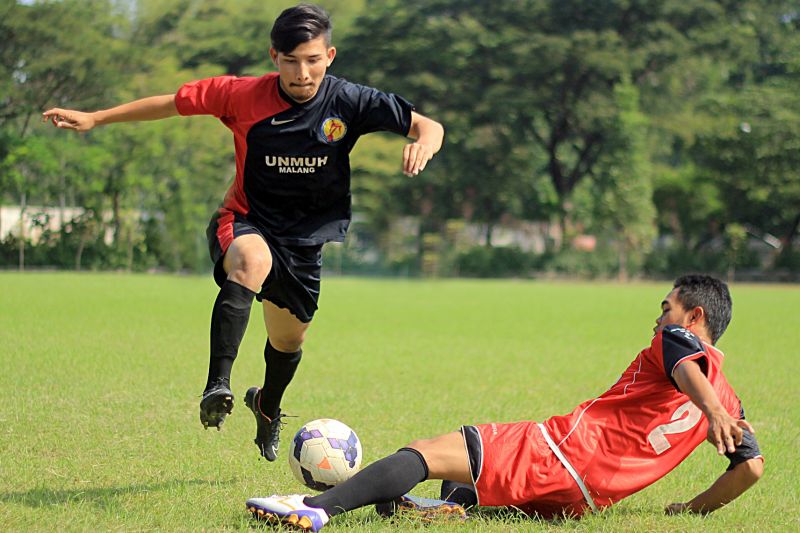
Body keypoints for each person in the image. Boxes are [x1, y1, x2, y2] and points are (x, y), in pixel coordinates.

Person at [42, 3, 444, 461]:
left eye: (312, 60)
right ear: (274, 56)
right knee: (250, 262)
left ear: (329, 55)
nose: (302, 72)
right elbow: (171, 103)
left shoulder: (349, 101)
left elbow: (427, 125)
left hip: (305, 242)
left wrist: (425, 143)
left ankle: (267, 405)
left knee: (288, 341)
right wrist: (97, 117)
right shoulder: (240, 95)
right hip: (247, 219)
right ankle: (218, 385)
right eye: (291, 60)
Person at [245, 274, 764, 531]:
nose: (658, 317)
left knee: (427, 452)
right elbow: (753, 468)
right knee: (465, 479)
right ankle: (446, 508)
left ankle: (315, 511)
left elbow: (682, 365)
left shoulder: (677, 345)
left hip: (562, 451)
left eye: (667, 308)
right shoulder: (730, 397)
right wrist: (690, 509)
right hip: (587, 500)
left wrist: (713, 412)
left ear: (694, 317)